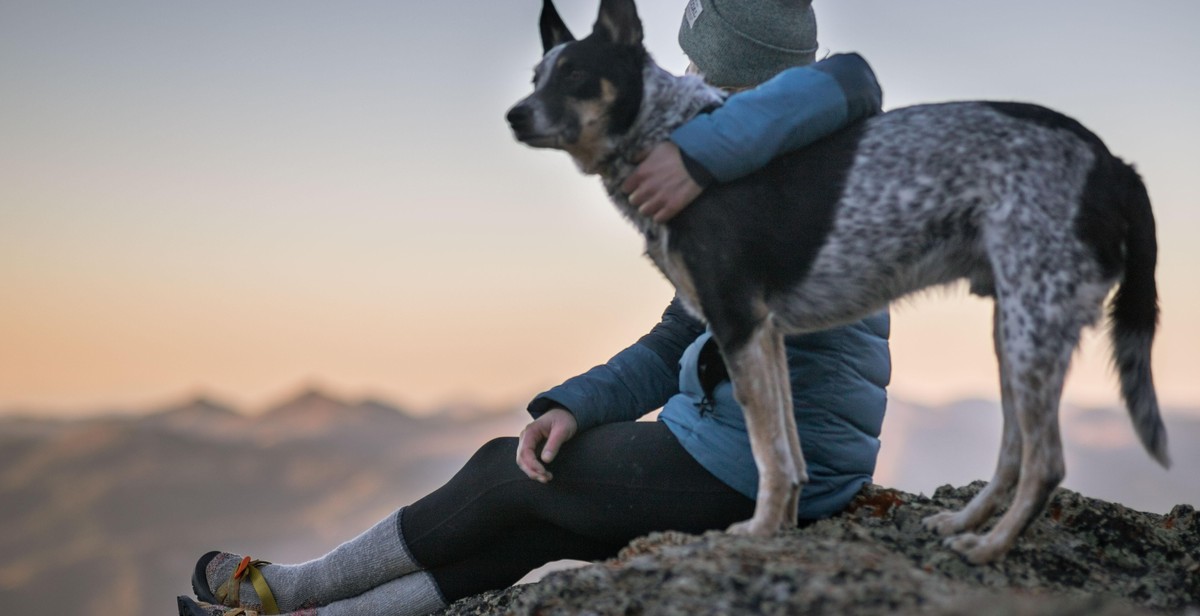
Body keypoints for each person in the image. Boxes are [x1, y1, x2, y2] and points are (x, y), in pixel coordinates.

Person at [179, 1, 890, 614]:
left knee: (505, 473)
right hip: (760, 446)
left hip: (768, 462)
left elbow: (847, 94)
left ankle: (287, 586)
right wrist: (577, 404)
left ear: (741, 79)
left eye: (700, 68)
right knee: (533, 528)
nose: (685, 81)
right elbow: (682, 331)